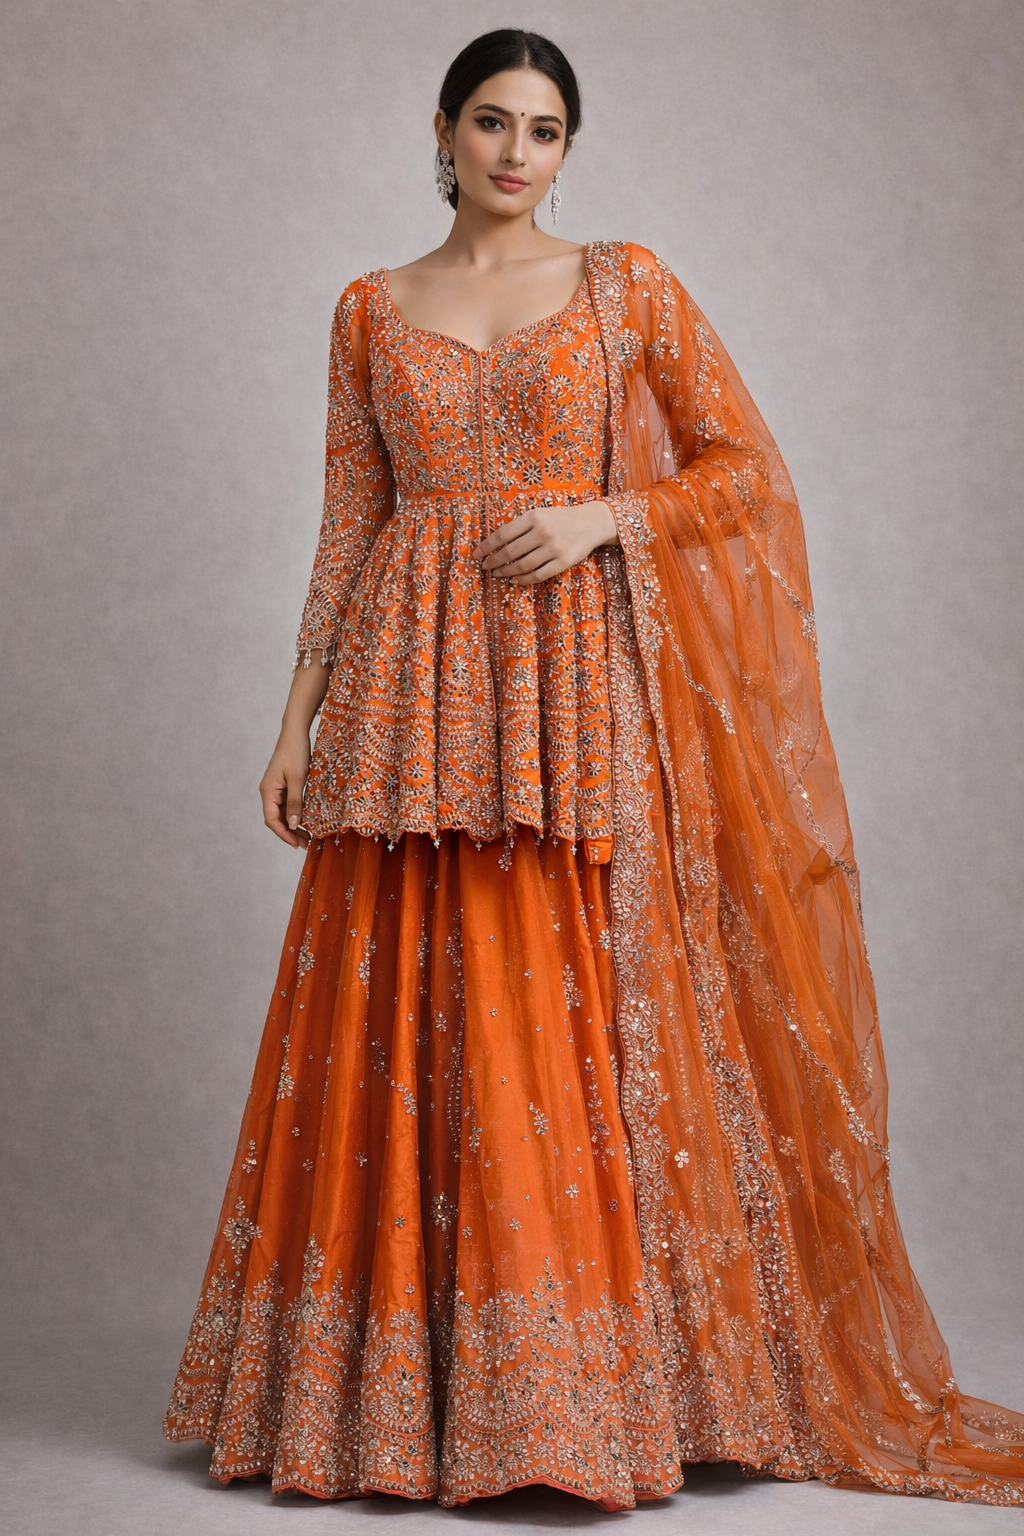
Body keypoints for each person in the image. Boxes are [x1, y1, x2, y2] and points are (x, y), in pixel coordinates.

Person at [163, 26, 1024, 1510]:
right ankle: (404, 1398)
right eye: (493, 122)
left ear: (569, 147)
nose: (517, 153)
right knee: (405, 1001)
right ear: (445, 128)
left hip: (572, 695)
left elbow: (745, 470)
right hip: (407, 697)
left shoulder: (625, 285)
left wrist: (605, 517)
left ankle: (585, 1394)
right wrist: (295, 723)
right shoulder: (370, 308)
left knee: (557, 1002)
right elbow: (349, 522)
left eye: (546, 129)